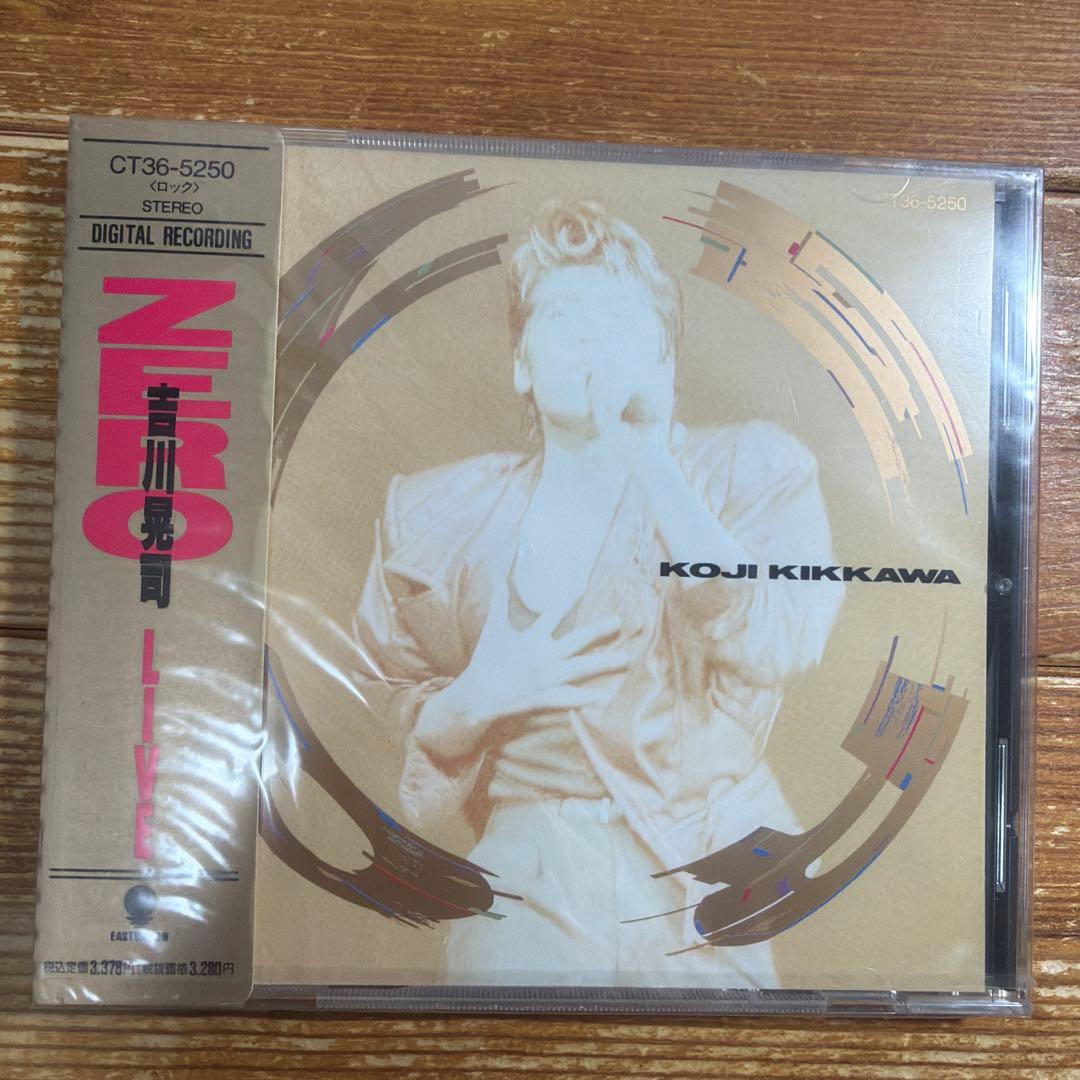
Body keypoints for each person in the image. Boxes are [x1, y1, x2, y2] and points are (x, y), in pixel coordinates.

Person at [353, 201, 843, 986]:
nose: (593, 342)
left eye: (620, 320)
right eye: (565, 319)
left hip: (705, 865)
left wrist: (651, 463)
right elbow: (377, 705)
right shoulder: (433, 517)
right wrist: (473, 699)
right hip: (528, 873)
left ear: (665, 361)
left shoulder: (752, 471)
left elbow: (784, 637)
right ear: (522, 364)